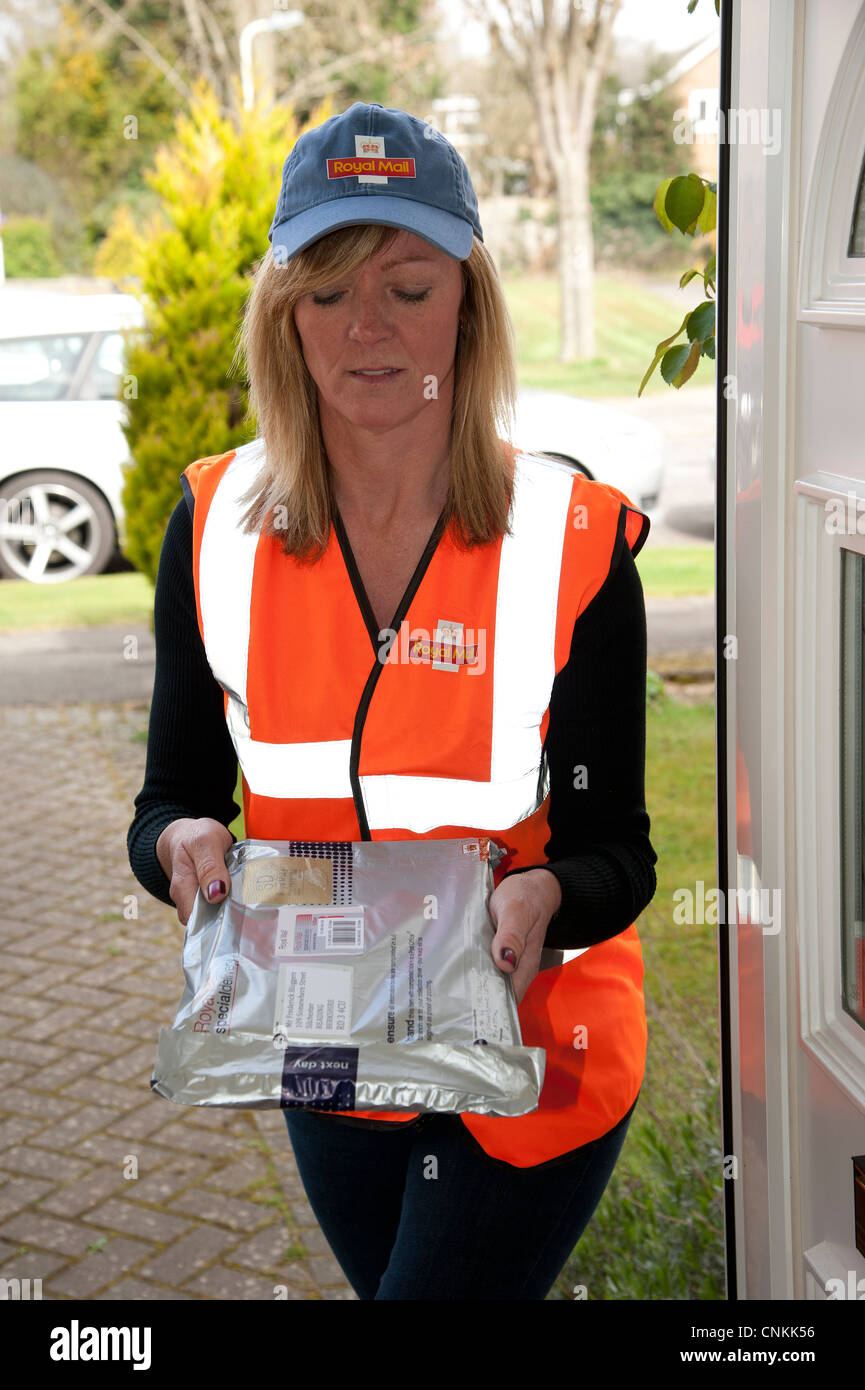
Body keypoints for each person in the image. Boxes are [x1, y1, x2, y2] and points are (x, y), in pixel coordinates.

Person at [128, 101, 658, 1301]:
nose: (365, 327)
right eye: (326, 293)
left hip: (534, 1056)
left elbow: (615, 849)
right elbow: (168, 797)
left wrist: (544, 894)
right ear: (284, 317)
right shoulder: (213, 529)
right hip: (327, 1050)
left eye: (408, 287)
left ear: (469, 303)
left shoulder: (571, 541)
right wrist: (179, 843)